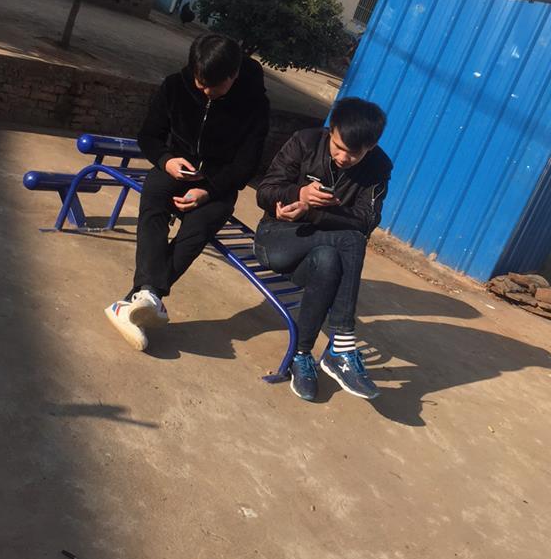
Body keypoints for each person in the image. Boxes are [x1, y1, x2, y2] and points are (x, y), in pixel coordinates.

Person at [106, 32, 270, 350]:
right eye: (200, 83)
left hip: (218, 182)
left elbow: (247, 163)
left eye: (214, 86)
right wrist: (166, 161)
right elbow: (149, 136)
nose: (206, 91)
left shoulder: (255, 104)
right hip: (176, 168)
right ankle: (147, 295)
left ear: (234, 75)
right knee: (154, 195)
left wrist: (208, 190)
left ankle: (137, 299)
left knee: (200, 225)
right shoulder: (174, 86)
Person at [254, 97, 392, 403]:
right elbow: (264, 191)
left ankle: (301, 355)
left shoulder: (379, 166)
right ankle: (342, 343)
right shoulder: (304, 142)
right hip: (277, 240)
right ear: (331, 130)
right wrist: (298, 194)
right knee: (352, 240)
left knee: (330, 259)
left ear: (370, 147)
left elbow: (367, 220)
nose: (343, 157)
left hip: (321, 253)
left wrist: (315, 213)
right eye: (338, 147)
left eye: (354, 153)